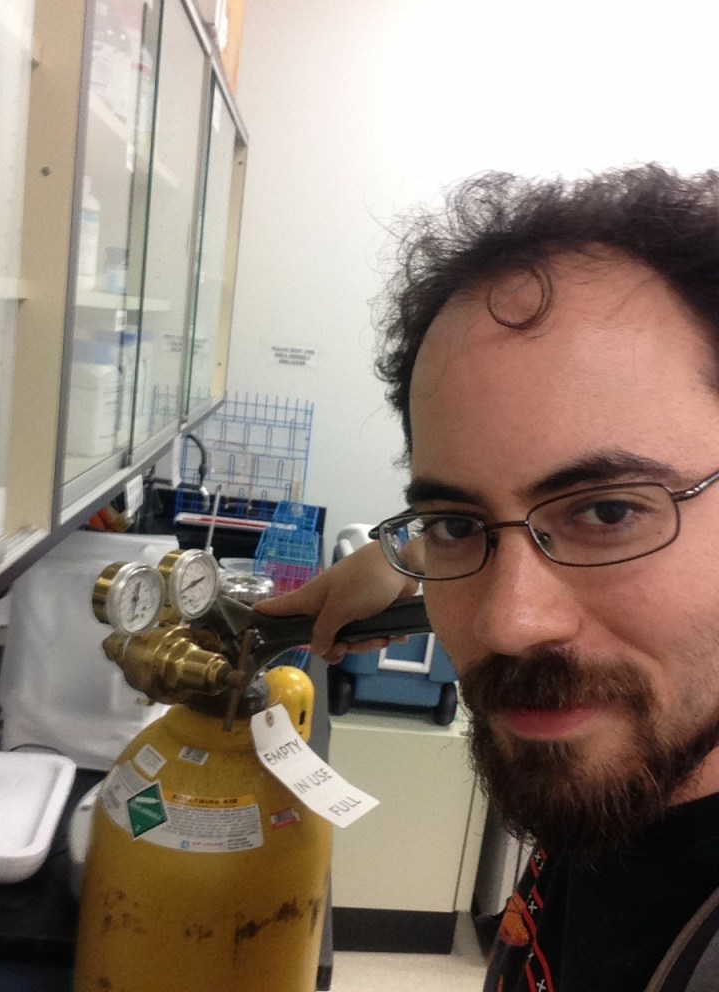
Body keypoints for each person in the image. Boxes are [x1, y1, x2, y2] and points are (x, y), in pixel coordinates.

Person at [255, 164, 719, 991]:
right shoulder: (630, 773)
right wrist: (401, 556)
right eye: (457, 523)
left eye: (607, 512)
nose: (510, 623)